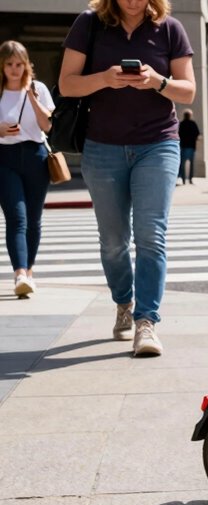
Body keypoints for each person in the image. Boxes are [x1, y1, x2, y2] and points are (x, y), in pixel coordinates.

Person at [59, 0, 195, 356]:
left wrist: (157, 81)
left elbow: (188, 91)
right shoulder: (90, 24)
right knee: (114, 240)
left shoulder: (169, 28)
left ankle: (146, 322)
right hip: (102, 147)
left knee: (152, 234)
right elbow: (67, 85)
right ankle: (124, 303)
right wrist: (104, 78)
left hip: (158, 144)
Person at [0, 40, 54, 298]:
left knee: (33, 220)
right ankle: (20, 272)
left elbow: (47, 126)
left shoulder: (39, 88)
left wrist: (31, 95)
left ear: (26, 64)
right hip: (4, 158)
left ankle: (29, 274)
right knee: (17, 217)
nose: (14, 69)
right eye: (9, 64)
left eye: (19, 64)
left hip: (36, 157)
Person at [177, 108, 199, 184]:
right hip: (191, 146)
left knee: (182, 163)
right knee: (191, 163)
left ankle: (183, 179)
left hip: (183, 146)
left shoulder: (181, 124)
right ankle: (190, 179)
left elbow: (178, 134)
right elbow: (197, 133)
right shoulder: (193, 124)